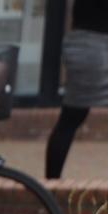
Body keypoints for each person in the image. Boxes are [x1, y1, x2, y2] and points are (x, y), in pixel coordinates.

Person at [45, 0, 108, 179]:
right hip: (95, 47)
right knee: (71, 118)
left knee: (70, 118)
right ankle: (51, 185)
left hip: (83, 45)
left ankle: (51, 184)